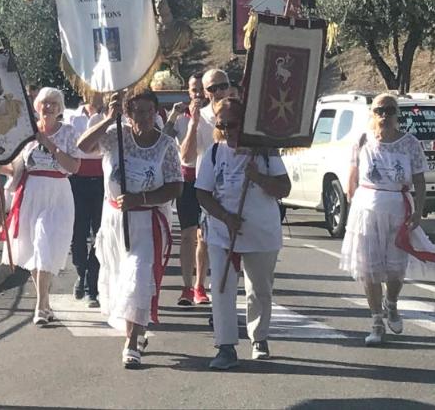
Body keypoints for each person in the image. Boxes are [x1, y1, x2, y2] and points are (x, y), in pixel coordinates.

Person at [77, 89, 182, 369]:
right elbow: (83, 146)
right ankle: (138, 329)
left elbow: (175, 186)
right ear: (127, 113)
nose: (144, 117)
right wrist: (108, 118)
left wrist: (141, 198)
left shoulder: (166, 145)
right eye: (137, 111)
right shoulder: (116, 136)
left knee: (138, 278)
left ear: (157, 113)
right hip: (115, 221)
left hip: (147, 222)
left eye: (149, 111)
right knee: (121, 280)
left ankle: (131, 343)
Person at [340, 91, 435, 346]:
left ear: (396, 114)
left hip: (398, 210)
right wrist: (352, 202)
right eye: (379, 110)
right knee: (369, 269)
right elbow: (352, 176)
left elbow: (419, 181)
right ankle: (376, 322)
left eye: (389, 110)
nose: (384, 116)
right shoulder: (362, 140)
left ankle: (392, 303)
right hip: (367, 212)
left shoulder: (409, 143)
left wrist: (418, 211)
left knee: (395, 269)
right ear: (372, 114)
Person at [196, 97, 291, 370]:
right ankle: (225, 347)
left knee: (259, 288)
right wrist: (226, 217)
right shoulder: (214, 152)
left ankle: (259, 337)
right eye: (222, 125)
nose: (227, 130)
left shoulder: (265, 152)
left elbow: (284, 188)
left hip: (261, 232)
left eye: (232, 124)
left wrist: (258, 177)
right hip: (223, 232)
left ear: (246, 123)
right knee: (222, 288)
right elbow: (202, 193)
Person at [0, 87, 80, 324]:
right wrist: (0, 168)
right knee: (35, 249)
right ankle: (45, 303)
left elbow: (74, 167)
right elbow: (18, 168)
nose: (49, 107)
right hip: (31, 193)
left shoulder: (68, 131)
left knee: (45, 243)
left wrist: (50, 145)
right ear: (37, 106)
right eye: (45, 103)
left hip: (57, 193)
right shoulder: (27, 133)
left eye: (53, 103)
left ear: (60, 108)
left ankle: (40, 307)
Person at [163, 72, 215, 307]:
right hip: (186, 179)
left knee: (203, 236)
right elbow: (164, 139)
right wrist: (177, 115)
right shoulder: (182, 118)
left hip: (207, 180)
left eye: (201, 90)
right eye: (193, 90)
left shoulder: (213, 116)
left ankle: (200, 286)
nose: (198, 94)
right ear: (188, 92)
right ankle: (186, 286)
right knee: (187, 235)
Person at [66, 92, 105, 307]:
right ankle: (81, 272)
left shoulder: (111, 116)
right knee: (77, 234)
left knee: (100, 233)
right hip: (77, 181)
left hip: (103, 181)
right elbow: (76, 147)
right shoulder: (72, 117)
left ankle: (92, 284)